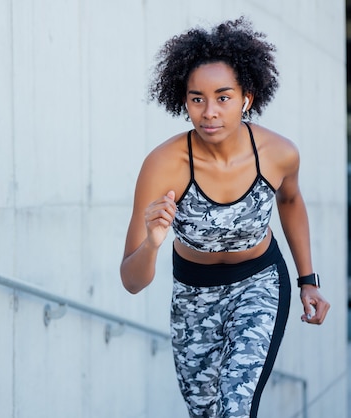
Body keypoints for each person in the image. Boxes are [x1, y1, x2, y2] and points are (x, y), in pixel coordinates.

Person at [119, 17, 330, 418]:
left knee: (234, 408)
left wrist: (308, 281)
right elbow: (131, 281)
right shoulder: (164, 165)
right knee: (205, 412)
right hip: (193, 296)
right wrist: (153, 242)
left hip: (260, 286)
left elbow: (290, 201)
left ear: (247, 97)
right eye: (197, 98)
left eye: (223, 97)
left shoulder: (278, 152)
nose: (209, 112)